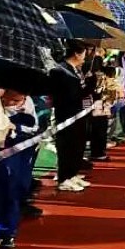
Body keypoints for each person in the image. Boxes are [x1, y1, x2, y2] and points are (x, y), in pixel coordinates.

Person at [0, 90, 39, 249]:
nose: (16, 104)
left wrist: (13, 127)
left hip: (10, 152)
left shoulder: (24, 112)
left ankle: (6, 234)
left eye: (19, 101)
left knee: (9, 190)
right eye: (13, 101)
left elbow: (33, 127)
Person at [50, 41, 90, 193]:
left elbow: (78, 92)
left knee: (77, 145)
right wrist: (84, 89)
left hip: (78, 113)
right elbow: (65, 95)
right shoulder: (60, 70)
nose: (85, 58)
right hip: (66, 115)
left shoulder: (74, 70)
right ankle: (63, 178)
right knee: (66, 146)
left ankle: (72, 174)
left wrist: (89, 87)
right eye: (84, 54)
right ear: (77, 54)